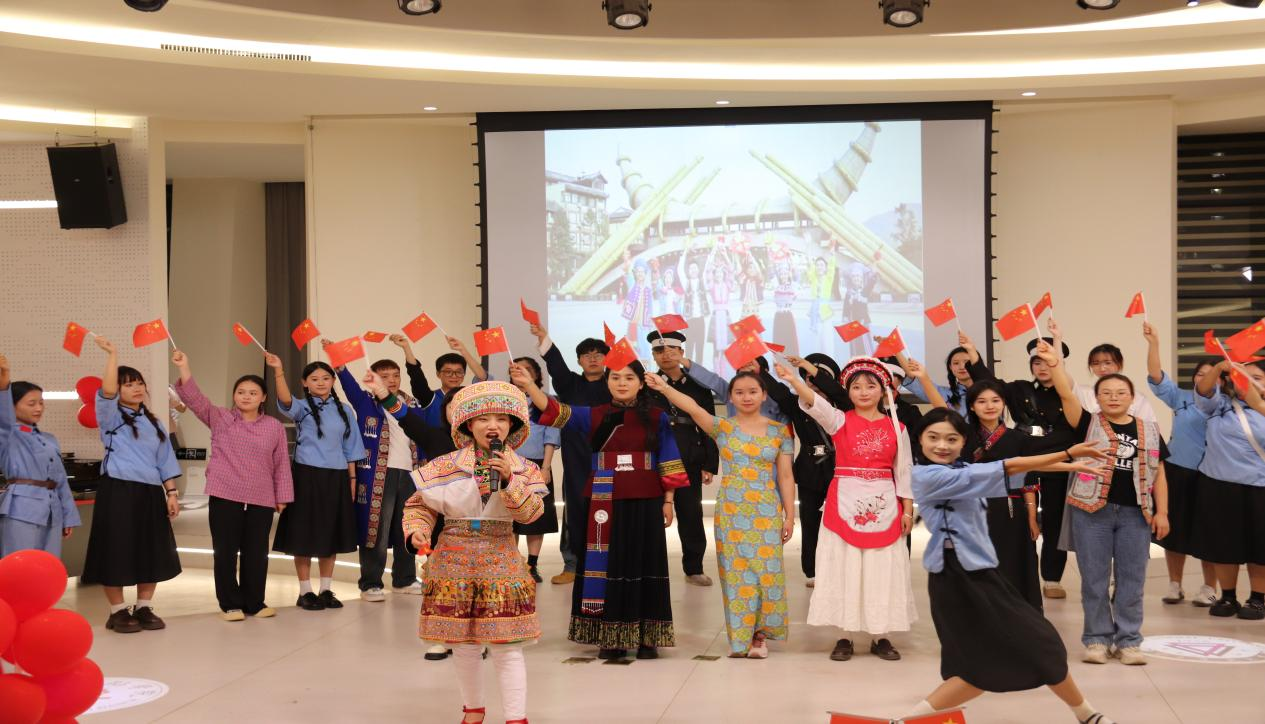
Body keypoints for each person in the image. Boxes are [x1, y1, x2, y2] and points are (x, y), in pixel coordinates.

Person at [906, 408, 1114, 724]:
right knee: (987, 664)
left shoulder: (963, 468)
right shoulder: (928, 476)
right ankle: (907, 720)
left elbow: (1015, 471)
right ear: (919, 439)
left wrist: (1070, 465)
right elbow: (1008, 465)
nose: (942, 445)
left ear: (963, 442)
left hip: (981, 572)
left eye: (951, 438)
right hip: (955, 577)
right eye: (933, 437)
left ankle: (1086, 714)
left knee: (1029, 649)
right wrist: (1068, 453)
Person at [513, 360, 688, 660]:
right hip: (604, 499)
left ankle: (647, 638)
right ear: (607, 383)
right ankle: (610, 636)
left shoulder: (657, 417)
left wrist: (668, 501)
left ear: (641, 383)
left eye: (629, 378)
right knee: (606, 564)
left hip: (647, 497)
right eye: (615, 377)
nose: (622, 383)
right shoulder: (593, 414)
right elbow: (554, 411)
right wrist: (529, 385)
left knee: (645, 562)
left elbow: (668, 459)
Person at [401, 381, 547, 724]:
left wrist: (509, 480)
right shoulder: (443, 465)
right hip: (452, 559)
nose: (492, 426)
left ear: (512, 425)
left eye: (501, 418)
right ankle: (473, 711)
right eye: (483, 418)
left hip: (501, 557)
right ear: (467, 424)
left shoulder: (525, 468)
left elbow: (531, 514)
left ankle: (516, 718)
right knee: (464, 645)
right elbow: (419, 506)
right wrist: (417, 530)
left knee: (507, 645)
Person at [645, 369, 795, 658]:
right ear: (730, 398)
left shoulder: (779, 431)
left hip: (767, 509)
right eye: (739, 392)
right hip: (731, 510)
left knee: (767, 573)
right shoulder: (723, 427)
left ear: (764, 395)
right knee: (736, 575)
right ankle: (740, 640)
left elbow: (786, 476)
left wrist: (789, 516)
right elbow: (692, 407)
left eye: (753, 391)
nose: (746, 397)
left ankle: (760, 634)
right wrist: (664, 387)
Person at [1038, 340, 1171, 665]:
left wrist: (1163, 512)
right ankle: (1097, 640)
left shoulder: (1150, 430)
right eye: (1106, 393)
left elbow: (1159, 474)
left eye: (1121, 393)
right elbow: (1066, 394)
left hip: (1136, 515)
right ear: (1096, 398)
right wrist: (1054, 364)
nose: (1113, 397)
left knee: (1132, 580)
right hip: (1091, 512)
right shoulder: (1087, 423)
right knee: (1094, 580)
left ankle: (1129, 642)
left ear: (1132, 397)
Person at [775, 356, 916, 662]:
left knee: (881, 569)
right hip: (845, 501)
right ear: (848, 392)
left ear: (884, 390)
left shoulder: (898, 427)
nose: (863, 392)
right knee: (845, 566)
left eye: (870, 386)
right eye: (856, 386)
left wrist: (907, 510)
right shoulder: (839, 420)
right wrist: (793, 380)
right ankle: (845, 634)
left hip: (884, 504)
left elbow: (904, 471)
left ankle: (881, 635)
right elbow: (815, 402)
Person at [171, 350, 292, 622]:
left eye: (253, 393)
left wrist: (282, 495)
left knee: (257, 553)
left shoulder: (273, 426)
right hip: (225, 493)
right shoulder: (220, 418)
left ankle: (255, 602)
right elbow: (195, 399)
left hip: (261, 496)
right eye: (241, 392)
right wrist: (184, 366)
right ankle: (229, 604)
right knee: (225, 552)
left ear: (263, 398)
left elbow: (281, 462)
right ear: (234, 395)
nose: (246, 396)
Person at [81, 336, 182, 634]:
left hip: (150, 492)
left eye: (139, 383)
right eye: (128, 384)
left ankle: (144, 606)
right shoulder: (110, 416)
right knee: (116, 548)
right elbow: (107, 391)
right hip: (119, 490)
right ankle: (117, 611)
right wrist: (112, 354)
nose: (136, 388)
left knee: (151, 548)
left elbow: (165, 460)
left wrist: (171, 492)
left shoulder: (155, 422)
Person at [970, 331, 1078, 600]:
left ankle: (1052, 577)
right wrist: (974, 356)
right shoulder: (1020, 389)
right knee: (1017, 519)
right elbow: (990, 384)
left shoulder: (1070, 393)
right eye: (1037, 362)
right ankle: (1011, 571)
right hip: (1019, 456)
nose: (1043, 368)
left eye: (1048, 362)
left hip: (1053, 458)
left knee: (1053, 520)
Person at [322, 337, 425, 604]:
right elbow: (347, 382)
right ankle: (370, 583)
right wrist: (336, 357)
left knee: (407, 528)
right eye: (384, 376)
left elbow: (423, 437)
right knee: (375, 530)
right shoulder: (366, 402)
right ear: (374, 378)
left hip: (410, 474)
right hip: (377, 474)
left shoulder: (411, 404)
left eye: (395, 375)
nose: (391, 380)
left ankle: (404, 579)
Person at [269, 355, 366, 612]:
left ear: (333, 380)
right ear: (304, 383)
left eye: (325, 378)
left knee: (330, 532)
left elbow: (351, 447)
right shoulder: (301, 407)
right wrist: (278, 371)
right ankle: (305, 591)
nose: (321, 382)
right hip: (306, 474)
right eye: (314, 379)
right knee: (304, 532)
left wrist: (352, 479)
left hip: (337, 476)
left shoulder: (345, 410)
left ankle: (325, 590)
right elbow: (285, 400)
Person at [1142, 322, 1219, 607]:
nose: (1204, 378)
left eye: (1211, 374)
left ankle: (1209, 588)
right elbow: (1156, 375)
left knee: (1208, 532)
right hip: (1176, 471)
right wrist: (1154, 343)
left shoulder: (1226, 403)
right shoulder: (1182, 397)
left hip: (1212, 475)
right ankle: (1175, 584)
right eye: (1200, 373)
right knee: (1173, 530)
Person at [529, 322, 610, 585]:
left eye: (599, 354)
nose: (593, 358)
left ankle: (610, 564)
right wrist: (544, 337)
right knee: (576, 506)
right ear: (579, 361)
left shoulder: (616, 382)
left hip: (610, 454)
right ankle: (572, 564)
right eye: (587, 355)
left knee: (611, 509)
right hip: (576, 456)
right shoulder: (570, 384)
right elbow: (556, 365)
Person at [1188, 358, 1265, 620]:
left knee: (1259, 545)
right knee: (1223, 544)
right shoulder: (1220, 404)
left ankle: (1258, 599)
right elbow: (1203, 390)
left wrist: (1257, 402)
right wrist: (1219, 369)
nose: (1249, 382)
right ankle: (1228, 596)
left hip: (1259, 486)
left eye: (1257, 378)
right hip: (1218, 484)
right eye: (1243, 376)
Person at [645, 330, 720, 586]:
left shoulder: (698, 386)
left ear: (682, 353)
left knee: (691, 513)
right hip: (655, 457)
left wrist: (709, 463)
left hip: (690, 455)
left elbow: (710, 425)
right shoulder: (646, 385)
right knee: (652, 513)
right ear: (653, 355)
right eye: (659, 351)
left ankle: (694, 567)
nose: (665, 355)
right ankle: (651, 569)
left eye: (671, 350)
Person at [766, 353, 841, 587]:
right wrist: (759, 369)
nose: (812, 381)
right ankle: (813, 570)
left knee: (842, 521)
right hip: (810, 469)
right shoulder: (797, 404)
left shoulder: (844, 402)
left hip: (840, 468)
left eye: (818, 376)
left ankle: (841, 568)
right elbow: (778, 391)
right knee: (810, 521)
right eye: (807, 377)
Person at [0, 352, 80, 557]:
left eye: (41, 403)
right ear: (12, 406)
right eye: (31, 403)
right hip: (21, 510)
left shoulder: (49, 438)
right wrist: (4, 382)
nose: (38, 408)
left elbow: (60, 479)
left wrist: (68, 515)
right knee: (19, 564)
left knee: (48, 565)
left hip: (52, 511)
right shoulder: (7, 434)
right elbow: (3, 419)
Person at [509, 356, 561, 583]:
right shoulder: (505, 399)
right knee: (510, 518)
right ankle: (512, 564)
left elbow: (551, 435)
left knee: (537, 518)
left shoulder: (547, 401)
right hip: (508, 466)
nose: (522, 373)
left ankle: (532, 565)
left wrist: (546, 467)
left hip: (537, 465)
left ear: (537, 374)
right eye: (516, 369)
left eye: (528, 369)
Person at [406, 334, 490, 428]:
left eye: (458, 372)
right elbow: (416, 377)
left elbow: (483, 379)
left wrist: (462, 350)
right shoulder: (430, 398)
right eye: (448, 372)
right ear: (438, 374)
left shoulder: (470, 397)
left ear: (464, 374)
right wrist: (406, 347)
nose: (454, 376)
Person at [902, 331, 983, 418]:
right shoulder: (943, 393)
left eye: (967, 362)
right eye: (956, 363)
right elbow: (912, 376)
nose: (962, 367)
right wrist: (897, 352)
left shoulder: (988, 390)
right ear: (950, 367)